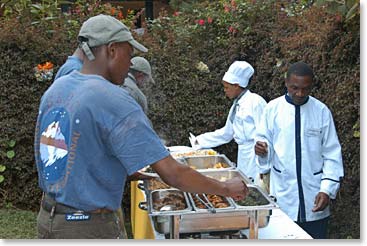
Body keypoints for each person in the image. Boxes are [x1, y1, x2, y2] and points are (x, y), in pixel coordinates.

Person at [34, 14, 248, 239]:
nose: (130, 64)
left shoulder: (57, 89)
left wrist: (129, 173)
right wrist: (226, 189)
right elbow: (173, 174)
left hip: (49, 219)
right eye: (130, 54)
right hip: (89, 228)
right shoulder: (113, 99)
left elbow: (73, 155)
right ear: (112, 50)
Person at [254, 61, 344, 239]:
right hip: (284, 195)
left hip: (315, 196)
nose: (300, 93)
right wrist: (263, 151)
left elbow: (332, 154)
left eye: (305, 89)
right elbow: (264, 145)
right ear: (286, 83)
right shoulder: (272, 109)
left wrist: (327, 189)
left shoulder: (321, 111)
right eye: (294, 88)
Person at [190, 61, 267, 180]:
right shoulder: (236, 105)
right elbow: (227, 133)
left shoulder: (256, 102)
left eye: (227, 87)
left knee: (256, 188)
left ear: (236, 85)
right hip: (243, 156)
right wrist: (199, 141)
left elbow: (264, 135)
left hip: (255, 157)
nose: (225, 90)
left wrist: (264, 166)